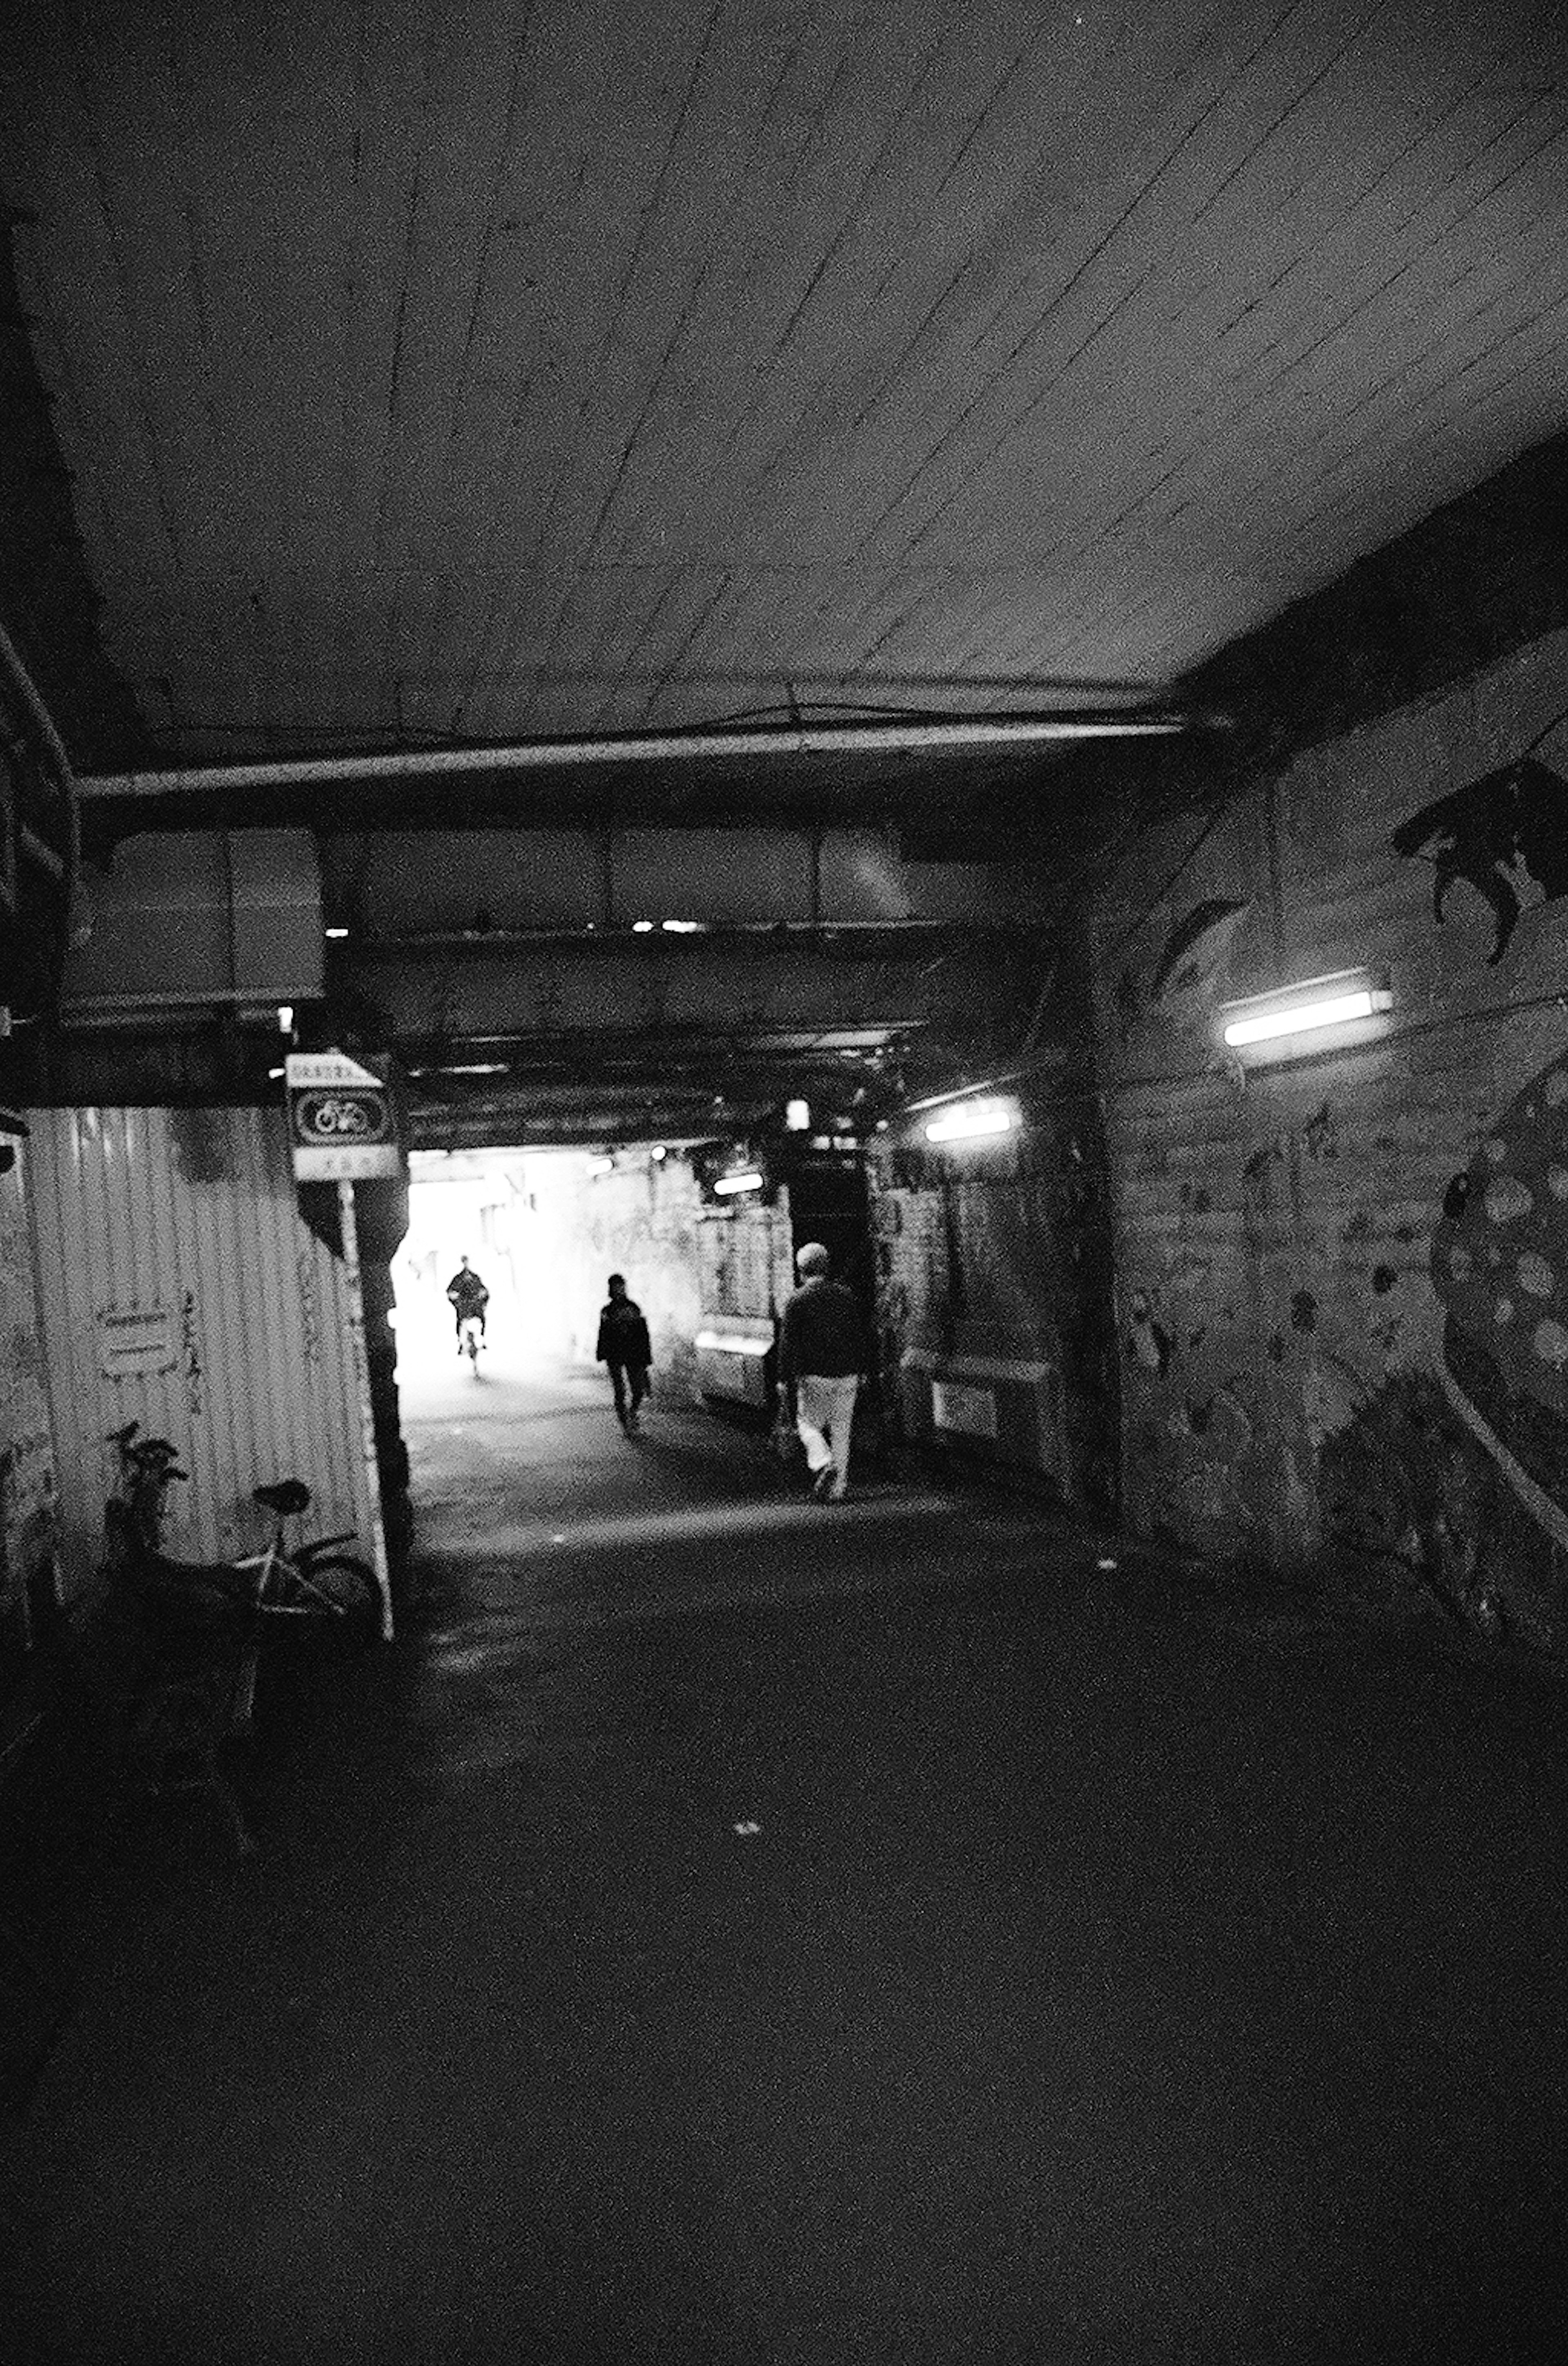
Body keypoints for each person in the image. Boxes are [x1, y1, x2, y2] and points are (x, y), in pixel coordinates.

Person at [778, 1240, 866, 1504]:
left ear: (801, 1269)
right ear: (827, 1266)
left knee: (808, 1425)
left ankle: (824, 1461)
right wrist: (863, 1371)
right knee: (842, 1429)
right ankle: (838, 1489)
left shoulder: (797, 1301)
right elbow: (859, 1336)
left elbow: (788, 1344)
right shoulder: (846, 1296)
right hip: (848, 1373)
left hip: (814, 1375)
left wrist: (784, 1378)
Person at [596, 1273, 653, 1434]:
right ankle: (624, 1420)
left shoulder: (633, 1308)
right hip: (614, 1354)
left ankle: (632, 1412)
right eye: (615, 1287)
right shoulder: (607, 1311)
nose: (618, 1290)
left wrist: (645, 1360)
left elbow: (643, 1335)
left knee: (638, 1390)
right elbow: (603, 1334)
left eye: (620, 1286)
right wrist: (602, 1353)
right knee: (620, 1390)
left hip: (632, 1353)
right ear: (611, 1289)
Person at [445, 1255, 490, 1352]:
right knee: (461, 1323)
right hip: (464, 1307)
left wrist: (483, 1297)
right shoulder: (457, 1279)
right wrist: (455, 1298)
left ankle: (481, 1339)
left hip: (476, 1307)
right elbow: (450, 1292)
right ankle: (461, 1343)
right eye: (464, 1262)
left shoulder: (475, 1278)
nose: (466, 1264)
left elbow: (484, 1291)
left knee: (482, 1320)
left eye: (467, 1262)